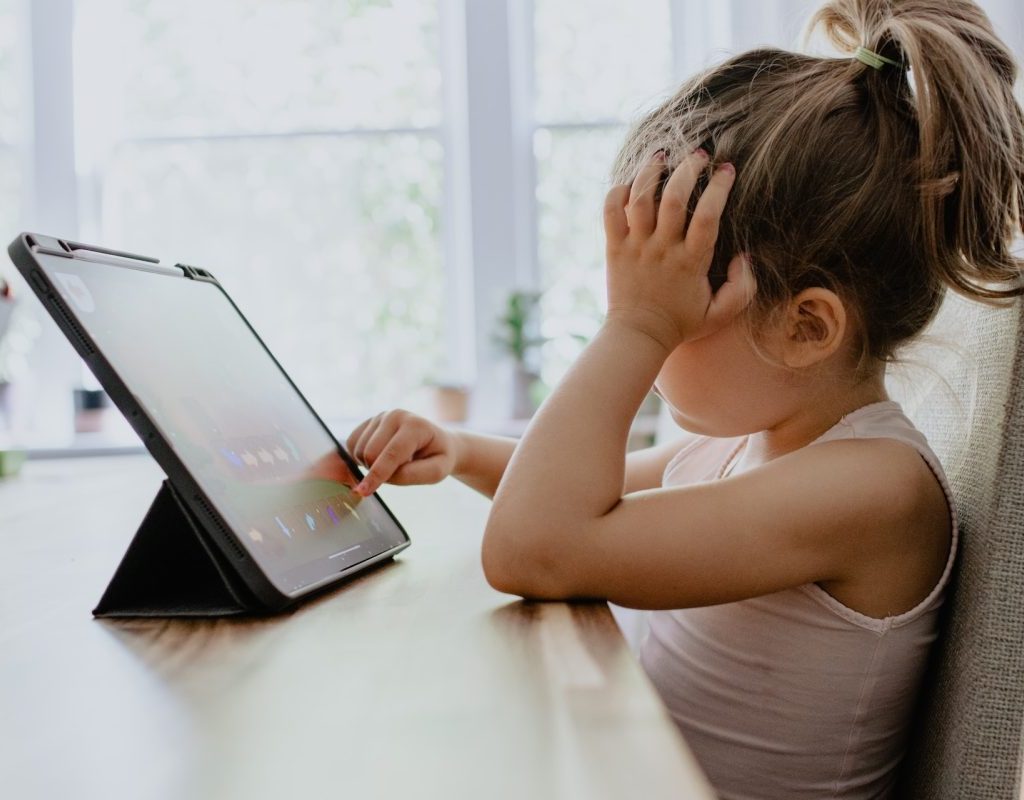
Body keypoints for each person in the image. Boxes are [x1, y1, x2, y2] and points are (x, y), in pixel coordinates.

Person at [345, 0, 1024, 796]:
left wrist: (636, 327)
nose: (648, 342)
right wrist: (459, 450)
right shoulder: (760, 443)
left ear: (807, 327)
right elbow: (591, 492)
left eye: (674, 312)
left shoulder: (874, 489)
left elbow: (533, 545)